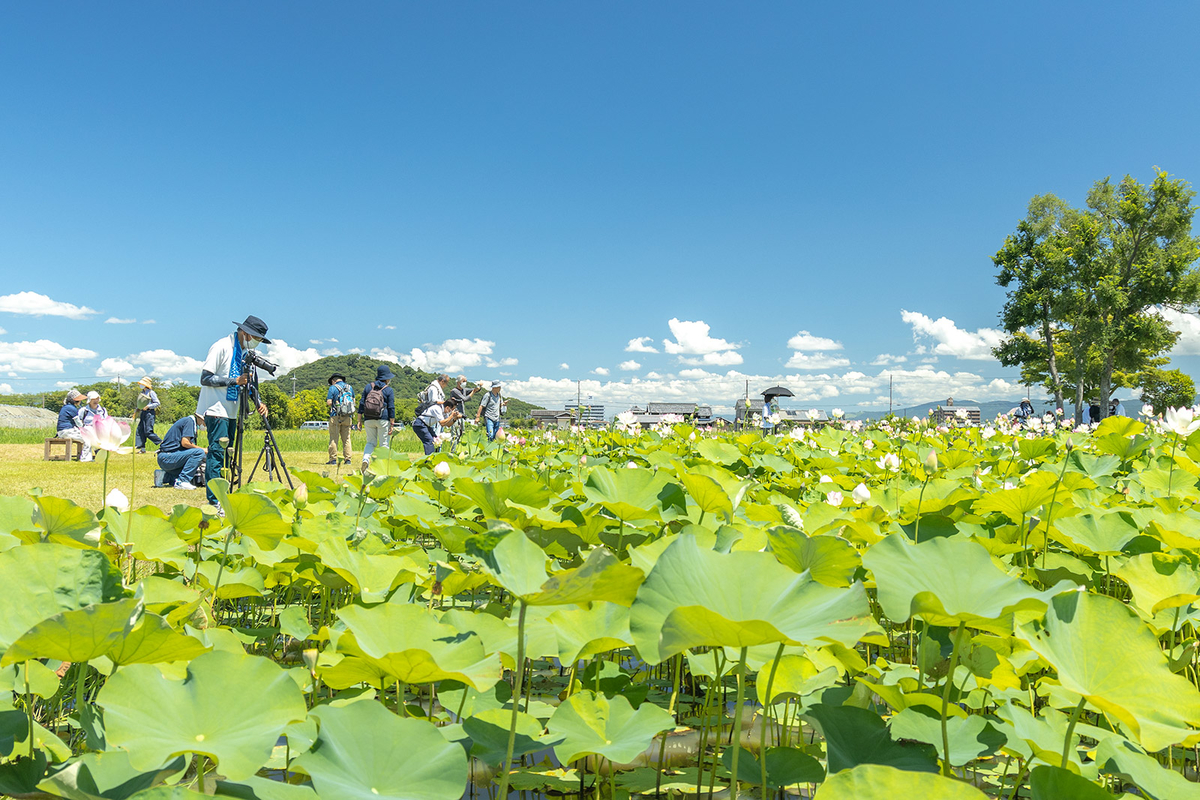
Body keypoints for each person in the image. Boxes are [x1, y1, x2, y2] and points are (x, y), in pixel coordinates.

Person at [198, 315, 271, 506]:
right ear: (246, 333)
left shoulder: (244, 353)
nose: (257, 342)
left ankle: (225, 494)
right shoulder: (222, 346)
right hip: (216, 408)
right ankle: (215, 501)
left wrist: (258, 402)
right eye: (257, 338)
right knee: (216, 454)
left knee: (228, 454)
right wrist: (234, 381)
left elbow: (247, 383)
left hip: (232, 410)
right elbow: (205, 378)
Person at [157, 411, 206, 490]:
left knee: (196, 459)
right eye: (205, 422)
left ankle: (164, 476)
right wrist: (203, 449)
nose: (205, 425)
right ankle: (182, 481)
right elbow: (185, 443)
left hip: (166, 458)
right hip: (168, 457)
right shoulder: (189, 422)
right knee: (199, 453)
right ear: (200, 419)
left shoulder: (190, 423)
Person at [358, 365, 395, 470]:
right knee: (384, 443)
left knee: (370, 442)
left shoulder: (368, 387)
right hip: (383, 419)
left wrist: (359, 420)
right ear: (387, 378)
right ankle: (382, 466)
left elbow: (361, 404)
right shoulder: (388, 390)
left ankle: (365, 459)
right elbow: (391, 407)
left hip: (368, 419)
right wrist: (392, 424)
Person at [413, 391, 462, 456]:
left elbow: (447, 424)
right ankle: (428, 460)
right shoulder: (437, 408)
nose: (451, 411)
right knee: (430, 441)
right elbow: (442, 423)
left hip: (426, 425)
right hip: (419, 424)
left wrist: (455, 418)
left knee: (436, 439)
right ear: (447, 407)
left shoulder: (445, 411)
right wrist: (452, 416)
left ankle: (434, 457)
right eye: (452, 409)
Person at [325, 372, 355, 465]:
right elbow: (353, 401)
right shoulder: (350, 388)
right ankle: (348, 459)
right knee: (346, 438)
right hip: (347, 416)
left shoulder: (333, 388)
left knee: (334, 438)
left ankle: (333, 459)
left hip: (336, 415)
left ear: (334, 380)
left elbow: (329, 402)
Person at [56, 389, 91, 462]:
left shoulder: (66, 407)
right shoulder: (72, 408)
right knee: (88, 440)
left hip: (63, 431)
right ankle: (84, 458)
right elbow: (78, 423)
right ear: (76, 400)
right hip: (66, 431)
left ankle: (87, 457)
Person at [447, 376, 479, 453]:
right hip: (455, 414)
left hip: (462, 415)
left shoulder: (464, 390)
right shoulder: (454, 391)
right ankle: (453, 452)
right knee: (455, 435)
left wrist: (479, 386)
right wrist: (473, 392)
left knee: (461, 434)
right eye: (464, 381)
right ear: (458, 382)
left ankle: (459, 451)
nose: (465, 383)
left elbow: (475, 390)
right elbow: (465, 399)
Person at [134, 377, 163, 453]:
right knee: (140, 430)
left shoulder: (151, 392)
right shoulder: (142, 393)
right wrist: (136, 411)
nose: (140, 385)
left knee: (148, 431)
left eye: (142, 384)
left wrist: (148, 406)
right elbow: (140, 404)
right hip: (143, 413)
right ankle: (142, 449)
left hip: (150, 413)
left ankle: (162, 443)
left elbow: (157, 403)